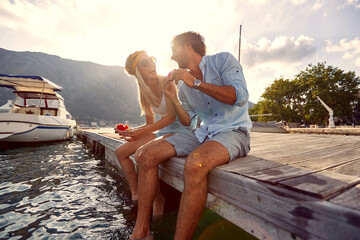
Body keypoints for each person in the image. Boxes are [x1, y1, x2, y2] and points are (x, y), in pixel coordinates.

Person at [130, 31, 252, 240]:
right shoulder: (184, 85)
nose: (171, 57)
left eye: (173, 50)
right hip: (203, 132)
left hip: (234, 131)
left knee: (194, 165)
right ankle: (141, 232)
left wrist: (195, 82)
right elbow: (187, 121)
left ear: (187, 46)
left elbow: (238, 97)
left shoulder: (223, 60)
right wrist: (174, 99)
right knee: (144, 155)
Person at [114, 51, 194, 217]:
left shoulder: (166, 81)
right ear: (137, 71)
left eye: (151, 60)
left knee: (141, 154)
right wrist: (131, 131)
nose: (151, 64)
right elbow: (150, 123)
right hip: (164, 130)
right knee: (120, 152)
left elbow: (172, 117)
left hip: (181, 129)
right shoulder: (144, 91)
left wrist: (139, 132)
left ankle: (158, 199)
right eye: (145, 63)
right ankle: (136, 194)